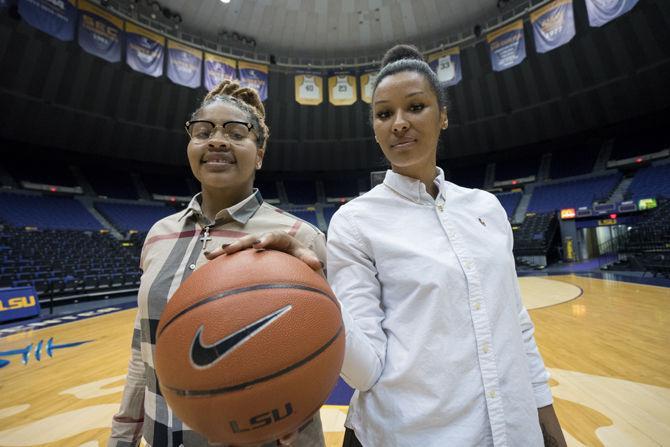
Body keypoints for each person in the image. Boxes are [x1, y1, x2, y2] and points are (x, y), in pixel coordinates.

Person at [215, 44, 567, 447]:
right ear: (375, 128)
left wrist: (546, 419)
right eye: (384, 113)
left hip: (515, 432)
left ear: (444, 116)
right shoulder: (355, 221)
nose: (399, 123)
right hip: (410, 434)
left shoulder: (487, 208)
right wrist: (315, 290)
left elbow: (516, 325)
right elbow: (365, 372)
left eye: (415, 107)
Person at [108, 80, 326, 447]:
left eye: (236, 132)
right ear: (190, 146)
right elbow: (142, 352)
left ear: (259, 153)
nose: (217, 141)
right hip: (162, 438)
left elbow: (318, 362)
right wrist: (122, 436)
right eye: (203, 131)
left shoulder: (298, 237)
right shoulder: (158, 235)